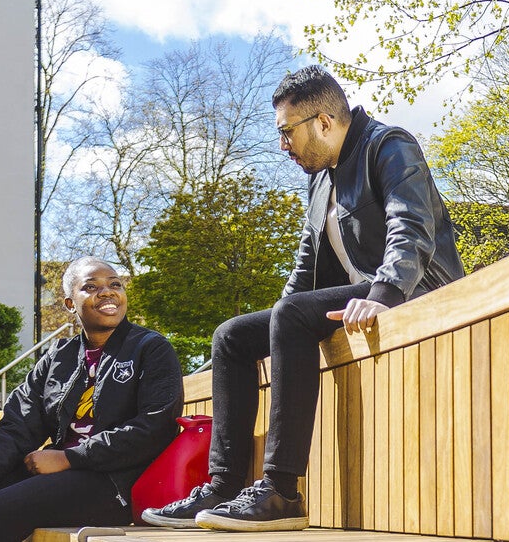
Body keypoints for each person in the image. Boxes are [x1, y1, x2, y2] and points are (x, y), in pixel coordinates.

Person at [142, 64, 465, 532]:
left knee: (290, 315)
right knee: (231, 336)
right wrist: (270, 326)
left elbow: (411, 227)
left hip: (413, 289)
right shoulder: (320, 178)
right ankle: (223, 486)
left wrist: (386, 292)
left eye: (286, 131)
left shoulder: (389, 145)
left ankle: (280, 490)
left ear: (324, 122)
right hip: (358, 298)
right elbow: (305, 269)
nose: (283, 145)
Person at [0, 257, 183, 542]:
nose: (107, 292)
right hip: (61, 473)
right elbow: (18, 425)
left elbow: (155, 427)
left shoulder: (150, 348)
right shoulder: (59, 357)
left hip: (119, 481)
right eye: (91, 287)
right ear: (70, 304)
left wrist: (69, 458)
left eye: (115, 284)